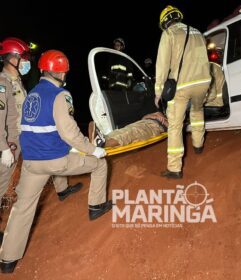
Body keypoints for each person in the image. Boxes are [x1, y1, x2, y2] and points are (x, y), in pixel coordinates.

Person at [0, 50, 112, 274]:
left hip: (31, 162)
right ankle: (96, 206)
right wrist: (93, 150)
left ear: (43, 69)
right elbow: (69, 132)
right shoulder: (61, 95)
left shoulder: (31, 93)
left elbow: (28, 126)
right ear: (61, 72)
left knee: (23, 207)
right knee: (100, 165)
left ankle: (7, 260)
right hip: (55, 160)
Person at [155, 6, 211, 179]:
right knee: (197, 111)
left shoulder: (169, 34)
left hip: (182, 85)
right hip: (203, 82)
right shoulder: (198, 32)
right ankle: (198, 144)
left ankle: (174, 168)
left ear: (165, 21)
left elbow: (162, 64)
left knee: (175, 125)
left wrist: (158, 90)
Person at [0, 37, 31, 244]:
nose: (26, 61)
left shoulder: (16, 81)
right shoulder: (2, 84)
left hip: (15, 141)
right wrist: (3, 148)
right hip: (6, 144)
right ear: (13, 58)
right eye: (24, 57)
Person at [89, 111, 167, 148]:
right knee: (123, 130)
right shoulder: (161, 112)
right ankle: (103, 138)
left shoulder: (174, 121)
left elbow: (172, 129)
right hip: (143, 121)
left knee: (132, 133)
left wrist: (164, 121)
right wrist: (153, 116)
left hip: (154, 127)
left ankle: (104, 144)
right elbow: (144, 117)